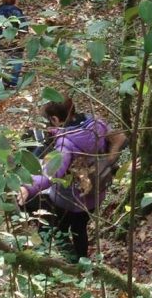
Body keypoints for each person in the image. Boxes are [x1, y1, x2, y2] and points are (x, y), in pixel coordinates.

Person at [18, 97, 126, 259]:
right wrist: (108, 161)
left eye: (48, 120)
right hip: (94, 197)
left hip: (69, 199)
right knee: (80, 229)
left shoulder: (66, 142)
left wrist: (28, 187)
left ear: (55, 119)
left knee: (60, 230)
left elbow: (53, 172)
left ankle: (73, 265)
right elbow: (120, 138)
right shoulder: (97, 124)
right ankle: (83, 261)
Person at [0, 0, 28, 88]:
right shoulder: (15, 11)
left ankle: (6, 79)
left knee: (10, 57)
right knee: (17, 57)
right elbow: (23, 27)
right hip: (10, 39)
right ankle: (12, 82)